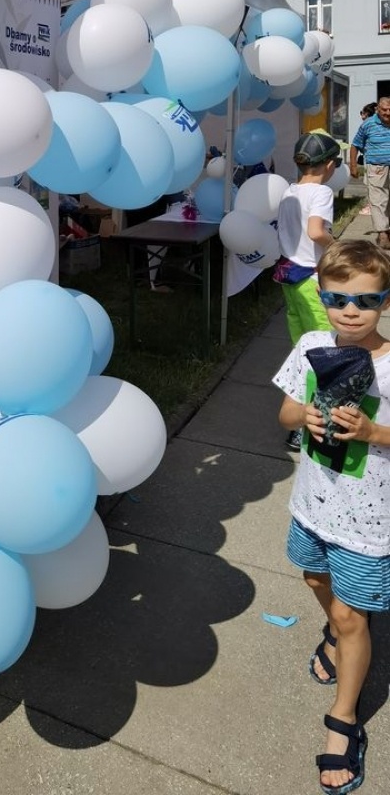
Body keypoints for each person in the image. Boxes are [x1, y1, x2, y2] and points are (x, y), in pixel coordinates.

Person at [274, 238, 390, 795]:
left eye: (365, 301)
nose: (351, 311)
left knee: (352, 617)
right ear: (322, 297)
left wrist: (374, 432)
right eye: (339, 298)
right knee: (314, 578)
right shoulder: (313, 345)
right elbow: (285, 410)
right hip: (314, 504)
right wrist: (306, 419)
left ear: (385, 303)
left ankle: (344, 720)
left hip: (369, 521)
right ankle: (335, 637)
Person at [275, 131, 340, 450]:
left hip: (289, 278)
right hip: (312, 281)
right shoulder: (322, 192)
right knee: (328, 354)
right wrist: (338, 245)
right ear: (328, 165)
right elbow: (316, 232)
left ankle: (298, 421)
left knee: (303, 352)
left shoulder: (289, 190)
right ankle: (315, 424)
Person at [350, 97, 390, 246]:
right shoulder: (368, 124)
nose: (388, 113)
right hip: (376, 167)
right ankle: (382, 233)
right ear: (378, 110)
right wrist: (353, 166)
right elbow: (355, 145)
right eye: (384, 110)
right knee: (377, 200)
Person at [356, 103, 378, 214]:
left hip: (371, 158)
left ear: (367, 114)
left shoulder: (367, 125)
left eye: (362, 112)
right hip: (375, 158)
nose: (361, 115)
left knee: (370, 183)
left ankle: (371, 206)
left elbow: (358, 143)